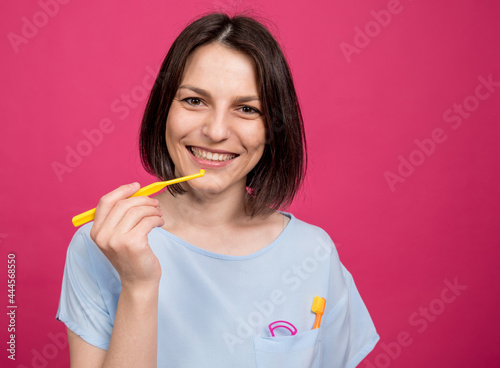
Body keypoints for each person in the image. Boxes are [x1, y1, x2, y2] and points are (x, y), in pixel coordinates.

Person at [56, 12, 379, 368]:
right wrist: (138, 286)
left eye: (246, 108)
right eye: (195, 101)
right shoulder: (100, 245)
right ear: (163, 110)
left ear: (273, 129)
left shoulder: (314, 254)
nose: (216, 131)